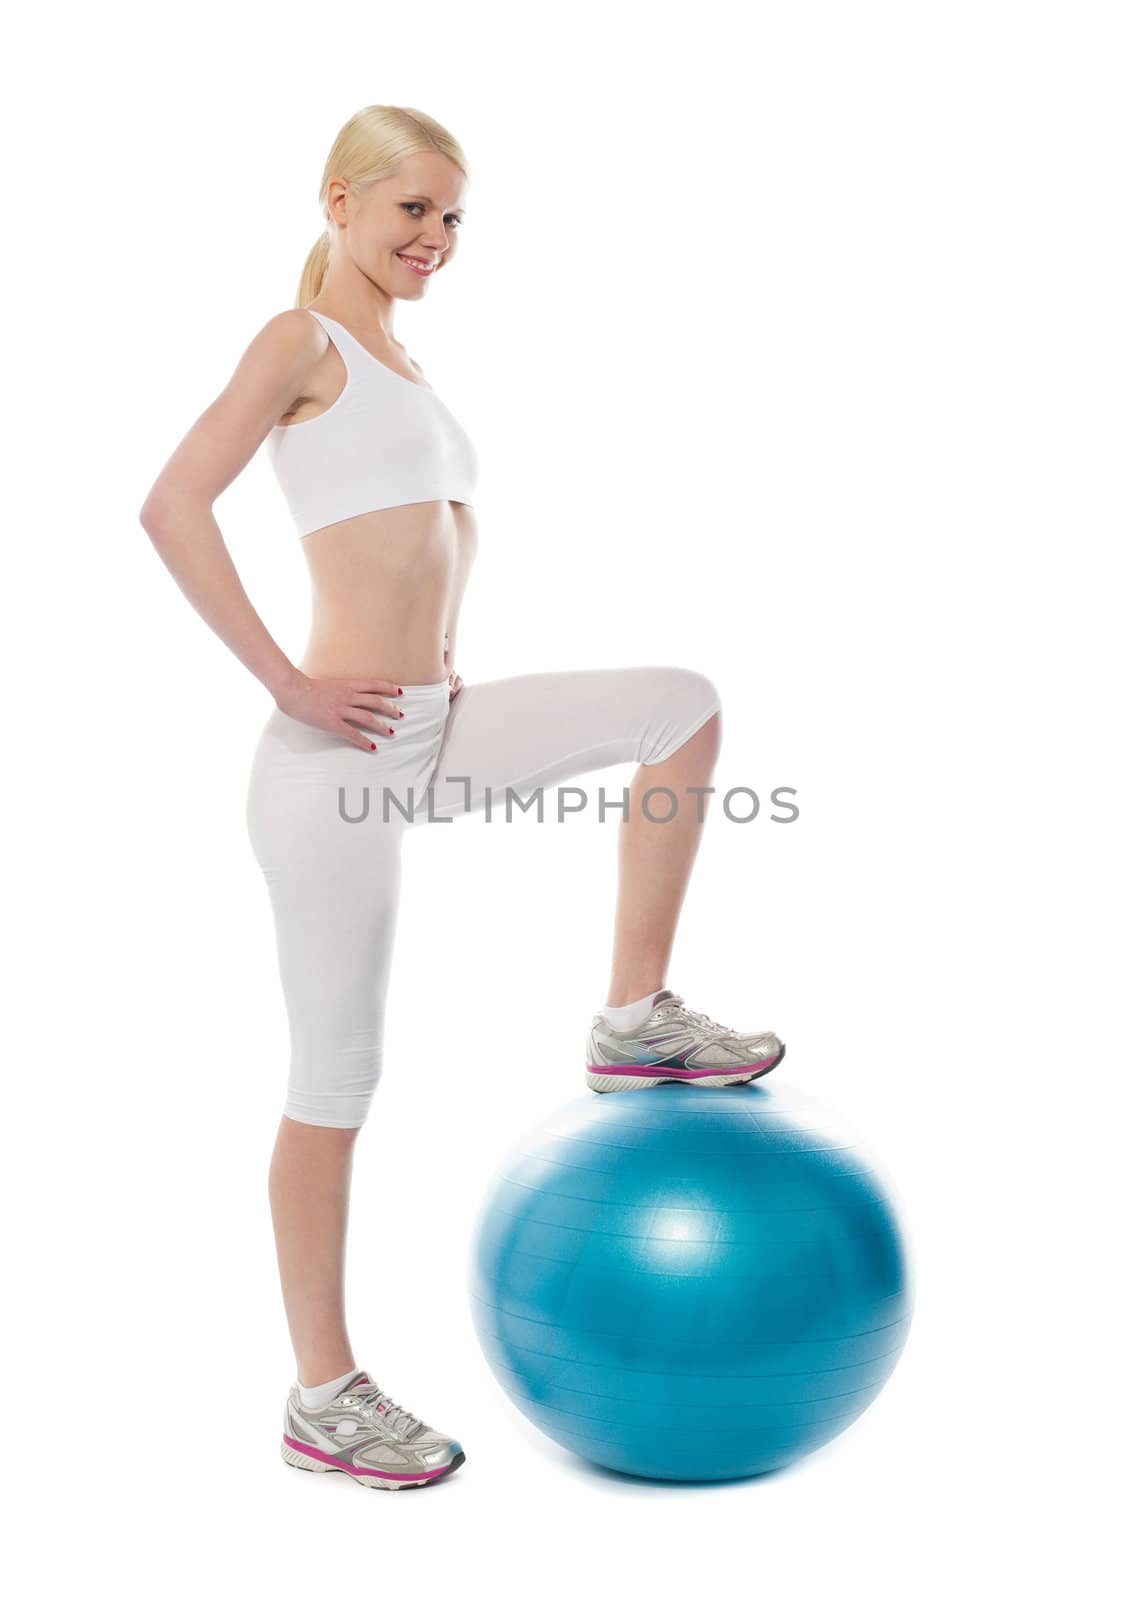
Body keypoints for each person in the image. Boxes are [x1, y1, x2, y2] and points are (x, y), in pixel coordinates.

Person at [139, 104, 785, 1492]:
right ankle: (323, 1398)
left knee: (682, 703)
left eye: (452, 220)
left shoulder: (405, 362)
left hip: (428, 731)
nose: (434, 239)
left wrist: (438, 656)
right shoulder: (297, 339)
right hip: (333, 764)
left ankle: (631, 1017)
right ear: (338, 202)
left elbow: (417, 543)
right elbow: (171, 504)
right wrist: (283, 680)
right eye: (412, 211)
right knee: (337, 1077)